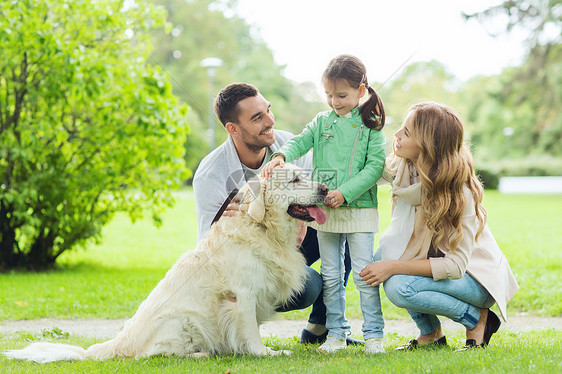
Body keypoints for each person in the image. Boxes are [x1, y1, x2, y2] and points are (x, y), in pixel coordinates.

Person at [192, 82, 360, 346]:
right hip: (248, 260)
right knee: (309, 287)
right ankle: (245, 329)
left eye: (268, 110)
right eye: (257, 117)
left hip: (290, 235)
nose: (269, 120)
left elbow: (316, 190)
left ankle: (320, 328)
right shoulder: (211, 174)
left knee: (347, 230)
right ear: (232, 129)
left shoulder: (286, 144)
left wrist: (299, 218)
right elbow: (208, 249)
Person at [359, 102, 519, 351]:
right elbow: (365, 172)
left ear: (428, 146)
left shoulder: (458, 192)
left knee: (399, 285)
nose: (397, 135)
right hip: (438, 262)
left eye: (407, 133)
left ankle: (478, 319)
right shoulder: (405, 167)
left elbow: (455, 266)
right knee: (385, 255)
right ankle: (431, 334)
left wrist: (392, 266)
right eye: (401, 128)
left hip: (475, 279)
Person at [262, 55, 387, 354]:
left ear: (361, 90)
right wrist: (280, 156)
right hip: (327, 215)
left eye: (341, 95)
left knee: (363, 275)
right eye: (329, 95)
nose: (334, 102)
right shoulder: (321, 121)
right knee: (331, 276)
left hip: (359, 212)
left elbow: (374, 168)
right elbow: (300, 141)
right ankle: (336, 333)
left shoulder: (372, 126)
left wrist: (344, 193)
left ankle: (374, 336)